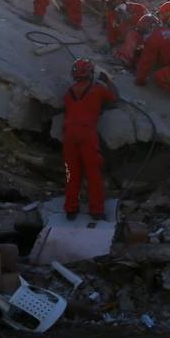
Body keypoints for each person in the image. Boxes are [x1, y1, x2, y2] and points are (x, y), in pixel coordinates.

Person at [62, 58, 117, 221]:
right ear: (90, 73)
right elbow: (115, 98)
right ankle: (96, 211)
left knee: (71, 173)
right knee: (93, 173)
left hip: (69, 134)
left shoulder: (68, 93)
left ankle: (71, 209)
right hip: (87, 132)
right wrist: (107, 80)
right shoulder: (98, 89)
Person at [102, 0, 148, 68]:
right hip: (126, 44)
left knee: (132, 34)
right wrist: (113, 45)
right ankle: (127, 60)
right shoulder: (112, 15)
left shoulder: (138, 8)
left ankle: (126, 59)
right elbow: (111, 32)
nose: (117, 1)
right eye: (113, 0)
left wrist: (130, 18)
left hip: (143, 40)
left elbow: (147, 24)